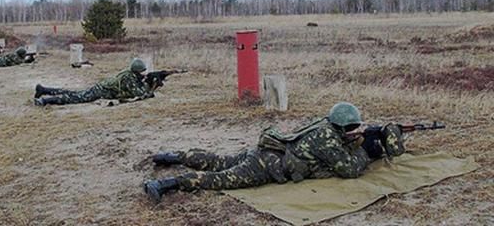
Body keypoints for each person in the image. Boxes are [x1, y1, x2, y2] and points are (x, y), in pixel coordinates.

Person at [143, 102, 405, 203]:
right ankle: (166, 184)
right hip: (266, 166)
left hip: (267, 151)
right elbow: (349, 170)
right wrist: (368, 151)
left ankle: (174, 156)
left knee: (218, 160)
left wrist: (359, 140)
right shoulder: (328, 138)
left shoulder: (324, 126)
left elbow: (339, 148)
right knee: (218, 178)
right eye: (353, 128)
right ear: (343, 126)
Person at [34, 58, 153, 106]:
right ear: (137, 71)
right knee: (74, 98)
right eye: (141, 72)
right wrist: (149, 85)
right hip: (100, 91)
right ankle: (45, 100)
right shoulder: (129, 78)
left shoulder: (129, 73)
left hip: (100, 88)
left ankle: (44, 90)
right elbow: (138, 93)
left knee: (73, 94)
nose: (143, 73)